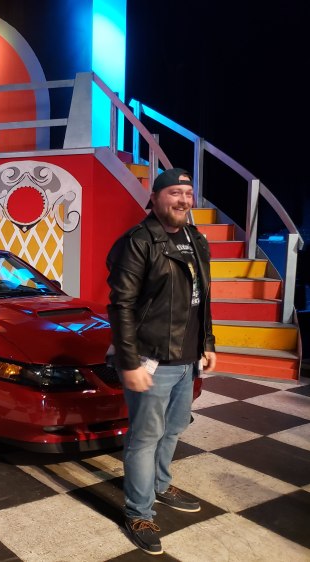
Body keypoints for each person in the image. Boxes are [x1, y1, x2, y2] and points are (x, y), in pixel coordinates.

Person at [106, 167, 217, 555]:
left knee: (174, 428)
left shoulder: (195, 239)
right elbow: (121, 305)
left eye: (187, 194)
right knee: (145, 437)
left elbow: (203, 296)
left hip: (187, 358)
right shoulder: (138, 241)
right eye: (174, 193)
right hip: (150, 358)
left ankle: (159, 484)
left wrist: (207, 342)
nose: (183, 200)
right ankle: (139, 512)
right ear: (154, 199)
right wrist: (129, 362)